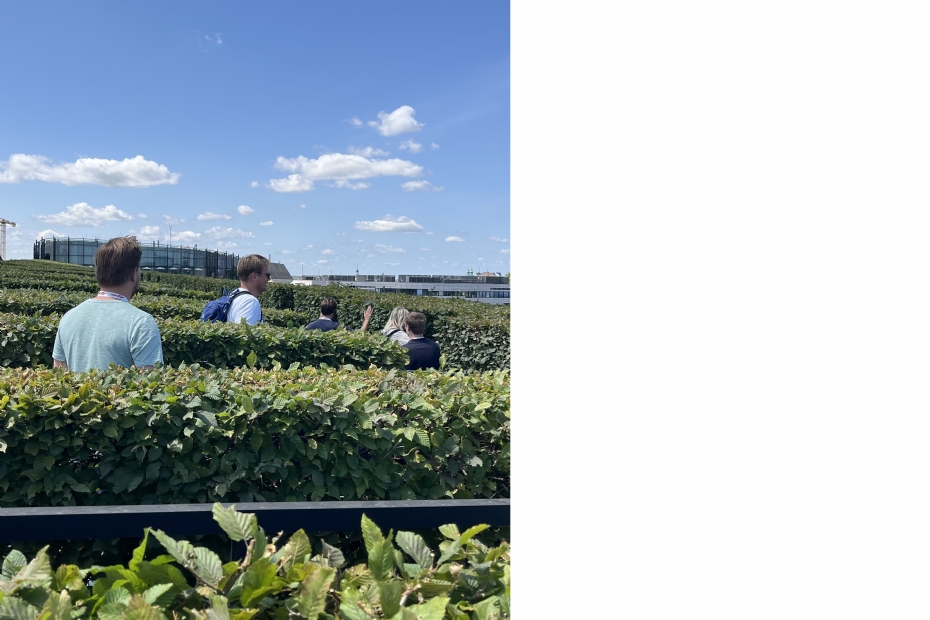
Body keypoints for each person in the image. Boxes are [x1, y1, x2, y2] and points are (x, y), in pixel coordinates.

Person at [52, 236, 163, 372]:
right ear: (134, 273)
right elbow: (151, 383)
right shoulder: (142, 323)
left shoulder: (68, 317)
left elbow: (57, 376)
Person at [227, 254, 270, 325]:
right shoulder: (250, 302)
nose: (269, 279)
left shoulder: (234, 295)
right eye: (267, 275)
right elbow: (243, 334)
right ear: (254, 277)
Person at [305, 298, 373, 332]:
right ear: (334, 311)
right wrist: (366, 320)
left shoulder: (310, 326)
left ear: (321, 309)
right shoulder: (338, 327)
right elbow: (359, 334)